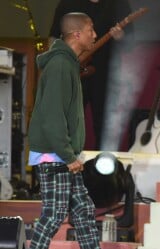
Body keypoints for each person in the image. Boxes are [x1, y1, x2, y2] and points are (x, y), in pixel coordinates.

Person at [27, 12, 135, 249]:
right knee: (53, 215)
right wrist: (67, 154)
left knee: (84, 210)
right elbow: (52, 117)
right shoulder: (61, 65)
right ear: (77, 34)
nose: (95, 35)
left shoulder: (67, 63)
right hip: (55, 155)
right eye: (90, 30)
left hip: (62, 154)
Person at [49, 0, 134, 149]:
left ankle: (102, 170)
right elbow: (54, 37)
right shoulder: (67, 4)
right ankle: (65, 166)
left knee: (103, 126)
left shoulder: (118, 4)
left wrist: (120, 36)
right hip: (72, 73)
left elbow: (130, 42)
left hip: (105, 75)